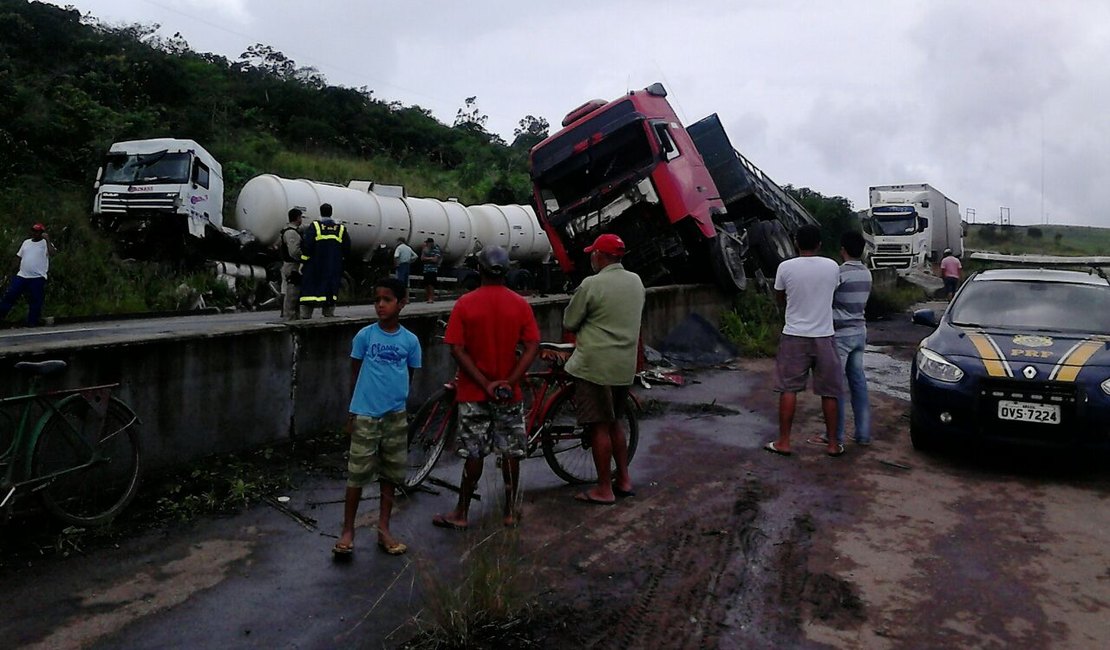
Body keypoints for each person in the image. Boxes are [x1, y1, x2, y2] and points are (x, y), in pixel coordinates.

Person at [432, 246, 539, 530]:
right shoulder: (520, 305)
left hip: (473, 393)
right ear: (507, 271)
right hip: (509, 394)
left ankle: (462, 513)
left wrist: (484, 383)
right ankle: (510, 512)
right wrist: (509, 381)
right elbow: (531, 347)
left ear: (478, 270)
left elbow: (456, 348)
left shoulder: (465, 304)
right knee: (510, 453)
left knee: (475, 453)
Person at [332, 277, 422, 557]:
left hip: (395, 417)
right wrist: (353, 412)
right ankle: (348, 530)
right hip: (366, 415)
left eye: (387, 300)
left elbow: (408, 376)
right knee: (356, 475)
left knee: (390, 475)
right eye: (376, 300)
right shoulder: (365, 336)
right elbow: (355, 374)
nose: (380, 305)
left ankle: (384, 529)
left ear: (402, 303)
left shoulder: (410, 341)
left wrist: (396, 404)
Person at [563, 233, 645, 505]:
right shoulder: (636, 282)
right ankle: (623, 479)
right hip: (624, 366)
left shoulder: (591, 284)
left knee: (598, 426)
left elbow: (571, 321)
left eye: (593, 254)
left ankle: (603, 489)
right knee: (615, 422)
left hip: (594, 366)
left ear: (600, 256)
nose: (591, 258)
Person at [765, 224, 844, 457]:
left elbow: (780, 297)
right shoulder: (832, 267)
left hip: (794, 335)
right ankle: (832, 445)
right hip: (824, 336)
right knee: (829, 392)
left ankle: (784, 442)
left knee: (788, 389)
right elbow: (833, 292)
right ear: (819, 244)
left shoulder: (785, 267)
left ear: (796, 243)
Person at [810, 231, 873, 448]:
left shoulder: (838, 273)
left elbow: (825, 299)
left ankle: (834, 435)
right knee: (858, 384)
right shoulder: (867, 273)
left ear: (843, 250)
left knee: (836, 387)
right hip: (860, 332)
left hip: (841, 335)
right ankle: (863, 433)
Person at [298, 203, 351, 319]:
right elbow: (347, 248)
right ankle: (328, 314)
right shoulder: (340, 229)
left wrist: (303, 263)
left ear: (320, 212)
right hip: (333, 267)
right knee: (330, 292)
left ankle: (306, 317)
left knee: (309, 294)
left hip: (315, 267)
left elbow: (307, 246)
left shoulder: (315, 227)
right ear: (331, 213)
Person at [0, 223, 58, 327]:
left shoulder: (45, 243)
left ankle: (32, 322)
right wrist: (11, 271)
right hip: (22, 275)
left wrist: (48, 240)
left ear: (42, 233)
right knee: (10, 295)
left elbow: (53, 253)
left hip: (37, 277)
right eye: (34, 231)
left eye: (38, 232)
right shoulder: (26, 242)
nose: (35, 233)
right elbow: (18, 256)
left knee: (35, 300)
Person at [279, 209, 304, 320]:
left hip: (288, 264)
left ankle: (289, 314)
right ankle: (289, 315)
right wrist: (304, 257)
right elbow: (294, 252)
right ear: (297, 218)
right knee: (292, 291)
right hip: (292, 265)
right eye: (301, 217)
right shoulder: (291, 233)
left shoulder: (289, 230)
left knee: (287, 289)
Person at [420, 237, 442, 303]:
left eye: (427, 243)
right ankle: (427, 297)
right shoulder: (425, 249)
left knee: (431, 284)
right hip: (426, 269)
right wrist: (430, 258)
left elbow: (435, 260)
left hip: (432, 269)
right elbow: (422, 258)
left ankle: (431, 298)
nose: (426, 244)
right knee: (426, 284)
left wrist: (427, 258)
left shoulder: (436, 249)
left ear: (431, 243)